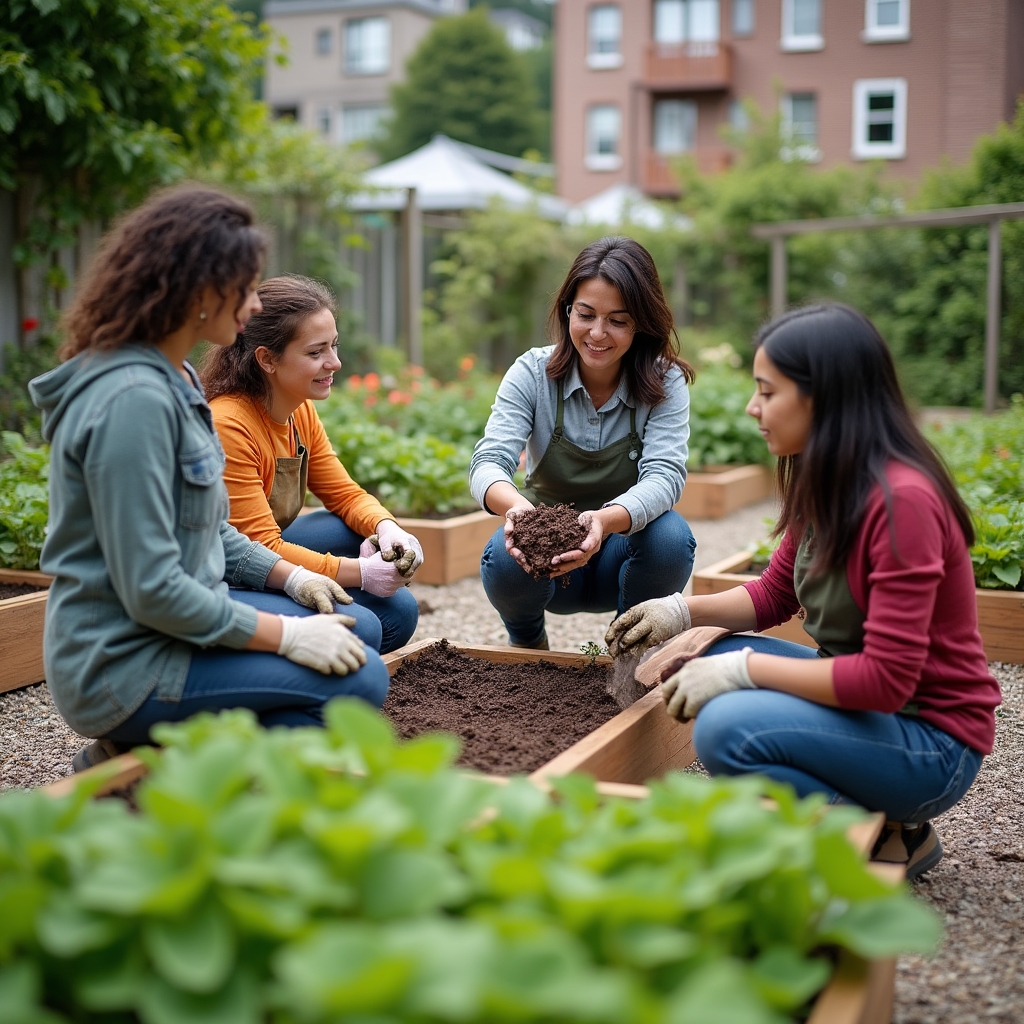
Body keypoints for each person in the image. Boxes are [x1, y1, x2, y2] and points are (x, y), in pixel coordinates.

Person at [606, 303, 1001, 879]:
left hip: (928, 743)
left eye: (767, 392)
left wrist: (746, 671)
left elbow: (885, 680)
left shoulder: (902, 504)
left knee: (726, 727)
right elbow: (773, 596)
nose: (752, 407)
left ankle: (866, 839)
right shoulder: (830, 476)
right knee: (704, 655)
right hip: (876, 711)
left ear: (824, 397)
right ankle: (876, 826)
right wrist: (680, 613)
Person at [29, 186, 391, 771]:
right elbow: (151, 590)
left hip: (175, 632)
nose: (252, 306)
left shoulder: (175, 379)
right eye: (244, 287)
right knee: (359, 681)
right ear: (199, 292)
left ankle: (145, 756)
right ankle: (154, 773)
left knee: (358, 637)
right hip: (123, 665)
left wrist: (292, 580)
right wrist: (285, 636)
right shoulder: (132, 404)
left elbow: (209, 531)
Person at [470, 236, 698, 649]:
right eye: (586, 314)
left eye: (618, 320)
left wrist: (604, 522)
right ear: (567, 310)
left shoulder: (666, 382)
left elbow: (666, 476)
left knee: (670, 539)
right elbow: (488, 461)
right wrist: (523, 514)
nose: (597, 333)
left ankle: (630, 649)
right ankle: (527, 645)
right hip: (549, 565)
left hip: (622, 556)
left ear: (641, 323)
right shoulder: (533, 373)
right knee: (503, 554)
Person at [199, 275, 421, 656]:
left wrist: (388, 530)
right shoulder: (228, 425)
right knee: (365, 628)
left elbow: (346, 496)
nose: (334, 362)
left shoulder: (297, 410)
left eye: (334, 346)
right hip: (223, 573)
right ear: (267, 359)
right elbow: (259, 547)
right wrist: (362, 575)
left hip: (265, 557)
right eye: (316, 352)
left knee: (399, 612)